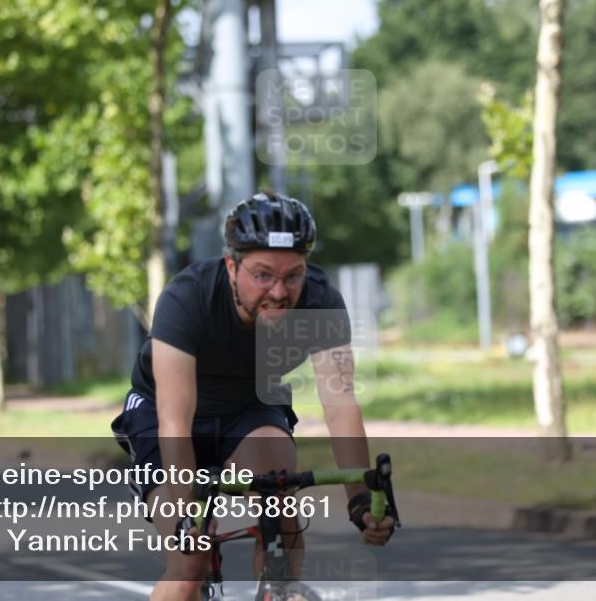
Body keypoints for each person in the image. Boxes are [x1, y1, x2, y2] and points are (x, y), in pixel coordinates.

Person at [112, 191, 394, 601]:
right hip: (166, 415)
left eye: (293, 275)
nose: (279, 291)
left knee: (280, 508)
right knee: (190, 559)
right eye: (263, 274)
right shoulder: (186, 298)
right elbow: (175, 420)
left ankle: (278, 591)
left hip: (251, 406)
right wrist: (189, 515)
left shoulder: (320, 302)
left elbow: (341, 408)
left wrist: (360, 502)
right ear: (232, 265)